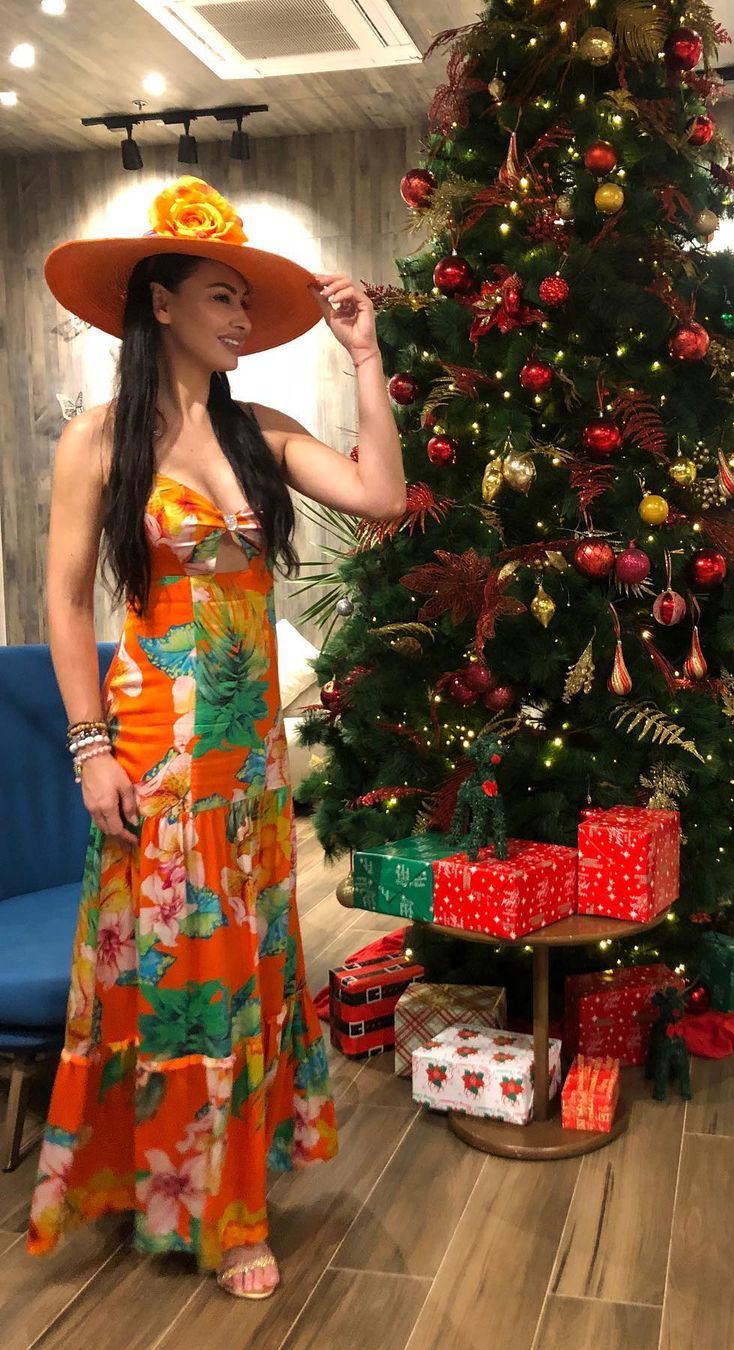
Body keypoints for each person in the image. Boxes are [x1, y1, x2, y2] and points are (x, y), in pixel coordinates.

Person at [26, 176, 406, 1299]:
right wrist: (89, 749)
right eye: (221, 296)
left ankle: (223, 1189)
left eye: (245, 300)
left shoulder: (259, 431)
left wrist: (365, 358)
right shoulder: (98, 441)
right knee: (168, 972)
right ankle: (202, 1208)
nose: (241, 318)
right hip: (153, 748)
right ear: (160, 304)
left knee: (241, 971)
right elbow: (64, 601)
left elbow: (382, 498)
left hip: (248, 762)